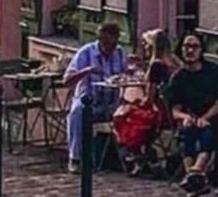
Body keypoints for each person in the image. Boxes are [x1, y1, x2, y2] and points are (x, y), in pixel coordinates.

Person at [166, 32, 218, 195]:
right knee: (188, 132)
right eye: (186, 46)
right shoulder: (178, 77)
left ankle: (193, 173)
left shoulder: (213, 72)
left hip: (213, 116)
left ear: (201, 50)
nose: (190, 50)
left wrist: (205, 117)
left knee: (207, 131)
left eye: (194, 46)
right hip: (191, 117)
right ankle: (196, 178)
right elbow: (175, 110)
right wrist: (185, 117)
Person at [63, 22, 129, 174]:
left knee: (131, 111)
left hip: (112, 102)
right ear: (100, 41)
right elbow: (66, 80)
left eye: (113, 45)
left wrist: (130, 72)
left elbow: (125, 75)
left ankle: (128, 157)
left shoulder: (119, 53)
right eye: (106, 45)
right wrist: (87, 70)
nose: (109, 49)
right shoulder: (86, 53)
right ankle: (75, 158)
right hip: (89, 100)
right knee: (77, 113)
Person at [114, 28, 178, 177]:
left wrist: (134, 102)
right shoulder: (174, 62)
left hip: (161, 114)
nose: (144, 47)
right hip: (176, 111)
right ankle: (145, 155)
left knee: (121, 116)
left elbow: (149, 99)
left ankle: (137, 158)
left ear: (153, 46)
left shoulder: (156, 65)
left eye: (146, 44)